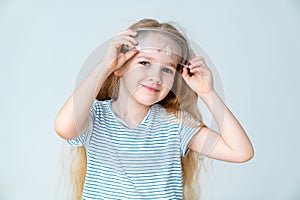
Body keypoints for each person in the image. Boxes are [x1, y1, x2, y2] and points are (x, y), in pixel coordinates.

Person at [54, 18, 254, 200]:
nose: (156, 77)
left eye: (167, 69)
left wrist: (207, 92)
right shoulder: (96, 117)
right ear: (120, 66)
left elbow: (240, 151)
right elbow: (64, 127)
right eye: (144, 62)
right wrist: (105, 65)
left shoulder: (176, 124)